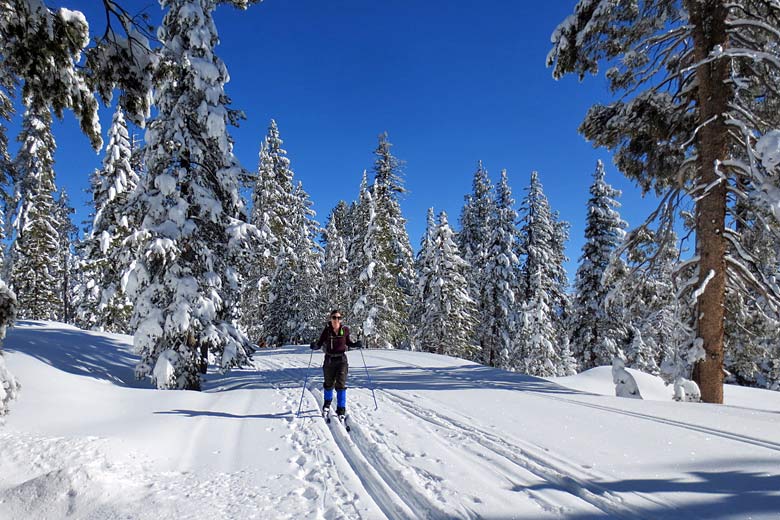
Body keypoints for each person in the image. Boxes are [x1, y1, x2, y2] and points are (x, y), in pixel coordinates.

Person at [310, 310, 362, 417]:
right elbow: (320, 343)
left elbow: (348, 343)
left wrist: (356, 344)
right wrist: (315, 346)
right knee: (329, 384)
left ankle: (341, 409)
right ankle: (327, 404)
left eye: (338, 318)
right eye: (334, 317)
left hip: (341, 360)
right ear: (330, 318)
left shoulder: (345, 330)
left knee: (341, 384)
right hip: (329, 360)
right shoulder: (327, 331)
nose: (336, 320)